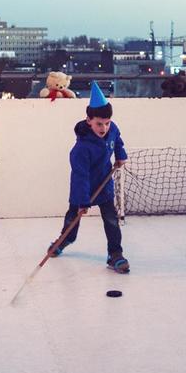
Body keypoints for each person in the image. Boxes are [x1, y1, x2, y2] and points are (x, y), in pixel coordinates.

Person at [48, 82, 130, 273]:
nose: (104, 128)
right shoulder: (80, 150)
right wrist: (82, 201)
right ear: (89, 121)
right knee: (73, 217)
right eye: (99, 124)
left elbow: (117, 140)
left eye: (107, 123)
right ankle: (65, 239)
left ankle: (115, 254)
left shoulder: (112, 129)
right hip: (83, 188)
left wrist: (120, 155)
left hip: (105, 184)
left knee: (111, 219)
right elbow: (80, 177)